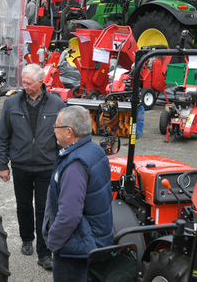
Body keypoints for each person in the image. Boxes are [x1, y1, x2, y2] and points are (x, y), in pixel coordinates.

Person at [0, 63, 65, 271]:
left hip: (47, 166)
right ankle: (27, 239)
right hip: (21, 165)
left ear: (41, 82)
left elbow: (65, 139)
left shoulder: (57, 104)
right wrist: (3, 165)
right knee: (24, 206)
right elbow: (3, 137)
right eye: (23, 82)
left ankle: (45, 252)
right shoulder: (11, 104)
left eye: (28, 83)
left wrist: (63, 166)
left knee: (46, 209)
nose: (24, 86)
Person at [43, 106, 113, 281]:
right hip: (95, 240)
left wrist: (54, 242)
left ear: (69, 132)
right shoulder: (94, 150)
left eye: (56, 127)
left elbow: (69, 214)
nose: (53, 130)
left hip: (76, 249)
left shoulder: (75, 164)